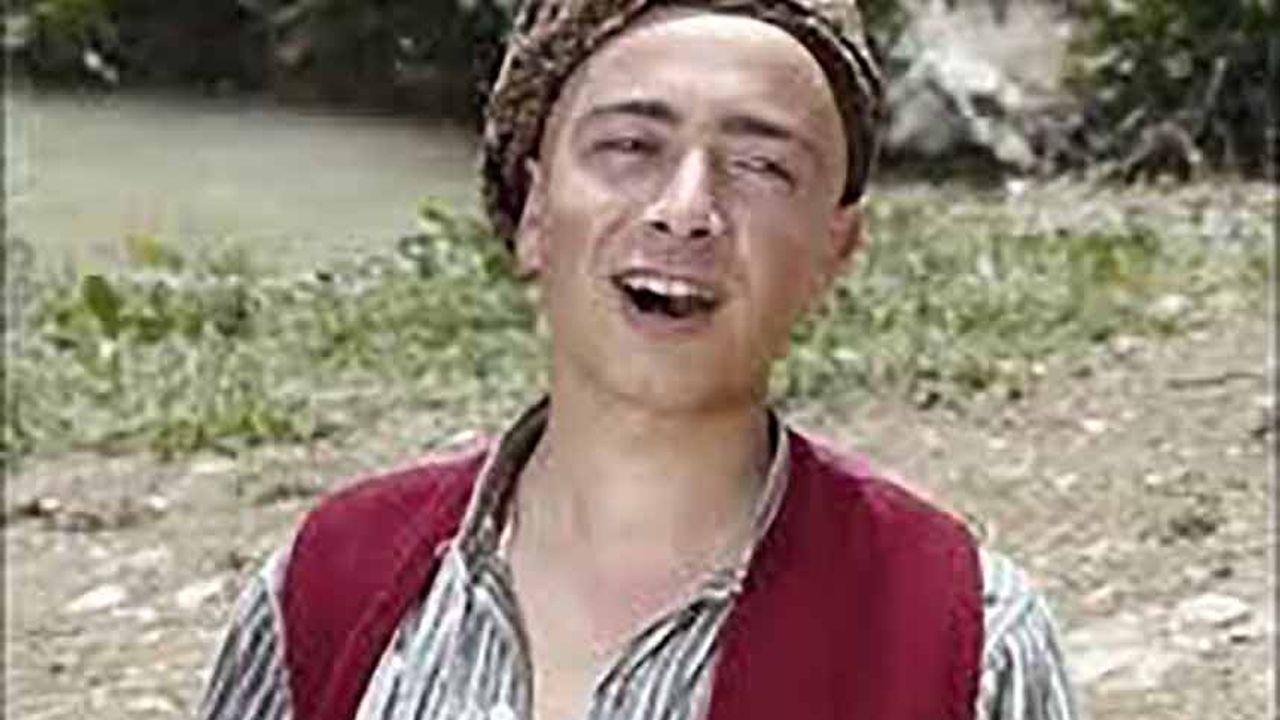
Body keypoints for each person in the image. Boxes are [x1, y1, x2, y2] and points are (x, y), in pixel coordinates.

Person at [198, 1, 1080, 719]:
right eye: (630, 147)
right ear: (534, 211)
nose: (686, 210)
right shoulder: (326, 591)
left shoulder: (965, 641)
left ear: (834, 252)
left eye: (761, 165)